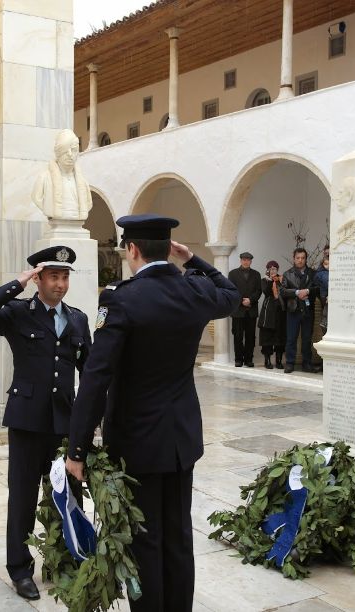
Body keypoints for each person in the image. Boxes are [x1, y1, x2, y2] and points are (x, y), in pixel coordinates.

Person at [65, 214, 238, 612]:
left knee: (143, 539)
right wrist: (195, 260)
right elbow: (229, 293)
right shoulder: (194, 290)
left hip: (138, 445)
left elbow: (96, 378)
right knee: (178, 536)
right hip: (180, 441)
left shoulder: (121, 299)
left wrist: (76, 450)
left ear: (133, 250)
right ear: (168, 249)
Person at [0, 245, 91, 601]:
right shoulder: (18, 313)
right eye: (54, 276)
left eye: (65, 276)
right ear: (39, 279)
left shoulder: (79, 319)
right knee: (22, 498)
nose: (61, 284)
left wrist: (93, 419)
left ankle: (63, 559)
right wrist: (16, 283)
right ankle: (20, 570)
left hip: (64, 422)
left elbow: (91, 370)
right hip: (26, 420)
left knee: (66, 496)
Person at [31, 129, 93, 221]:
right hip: (58, 224)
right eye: (65, 151)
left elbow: (89, 203)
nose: (70, 154)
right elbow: (37, 198)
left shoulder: (83, 183)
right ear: (58, 153)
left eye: (74, 150)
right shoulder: (44, 178)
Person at [280, 247, 320, 373]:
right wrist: (297, 292)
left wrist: (307, 291)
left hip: (308, 310)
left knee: (307, 338)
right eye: (298, 258)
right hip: (293, 310)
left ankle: (307, 363)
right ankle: (290, 363)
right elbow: (283, 291)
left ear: (306, 259)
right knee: (291, 338)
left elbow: (318, 288)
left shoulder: (313, 273)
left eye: (303, 258)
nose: (300, 260)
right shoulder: (287, 274)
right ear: (294, 258)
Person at [227, 252, 262, 367]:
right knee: (237, 336)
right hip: (238, 310)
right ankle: (238, 359)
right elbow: (231, 289)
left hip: (251, 311)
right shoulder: (232, 274)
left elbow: (258, 291)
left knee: (250, 336)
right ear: (240, 260)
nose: (246, 261)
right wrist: (242, 300)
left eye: (248, 260)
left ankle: (248, 359)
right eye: (244, 259)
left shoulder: (256, 274)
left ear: (251, 261)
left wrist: (250, 300)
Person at [257, 260, 286, 369]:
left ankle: (278, 360)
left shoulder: (282, 279)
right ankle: (267, 360)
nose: (273, 270)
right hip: (268, 311)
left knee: (280, 336)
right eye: (271, 269)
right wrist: (271, 281)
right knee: (267, 337)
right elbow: (266, 292)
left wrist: (278, 280)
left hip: (280, 310)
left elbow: (284, 291)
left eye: (275, 269)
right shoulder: (264, 280)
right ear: (268, 270)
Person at [314, 254, 330, 332]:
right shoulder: (322, 274)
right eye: (326, 264)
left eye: (329, 264)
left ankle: (325, 322)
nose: (328, 266)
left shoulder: (320, 273)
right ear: (323, 264)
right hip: (324, 295)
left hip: (325, 294)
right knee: (326, 309)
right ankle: (324, 322)